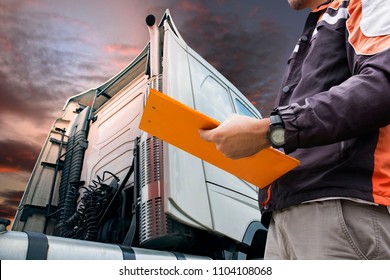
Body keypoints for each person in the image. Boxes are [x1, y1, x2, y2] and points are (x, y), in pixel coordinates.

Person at [199, 0, 390, 259]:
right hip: (285, 218)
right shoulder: (316, 26)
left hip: (339, 210)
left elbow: (381, 85)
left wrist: (269, 131)